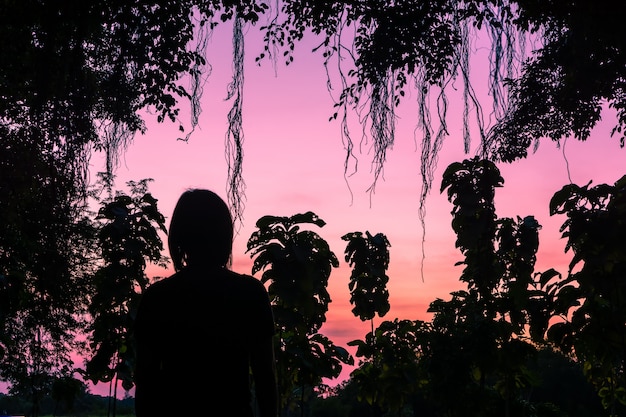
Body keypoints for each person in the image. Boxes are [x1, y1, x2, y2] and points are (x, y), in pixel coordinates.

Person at [134, 188, 278, 417]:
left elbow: (145, 382)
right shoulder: (250, 293)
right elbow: (265, 377)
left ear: (179, 238)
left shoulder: (158, 297)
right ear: (224, 236)